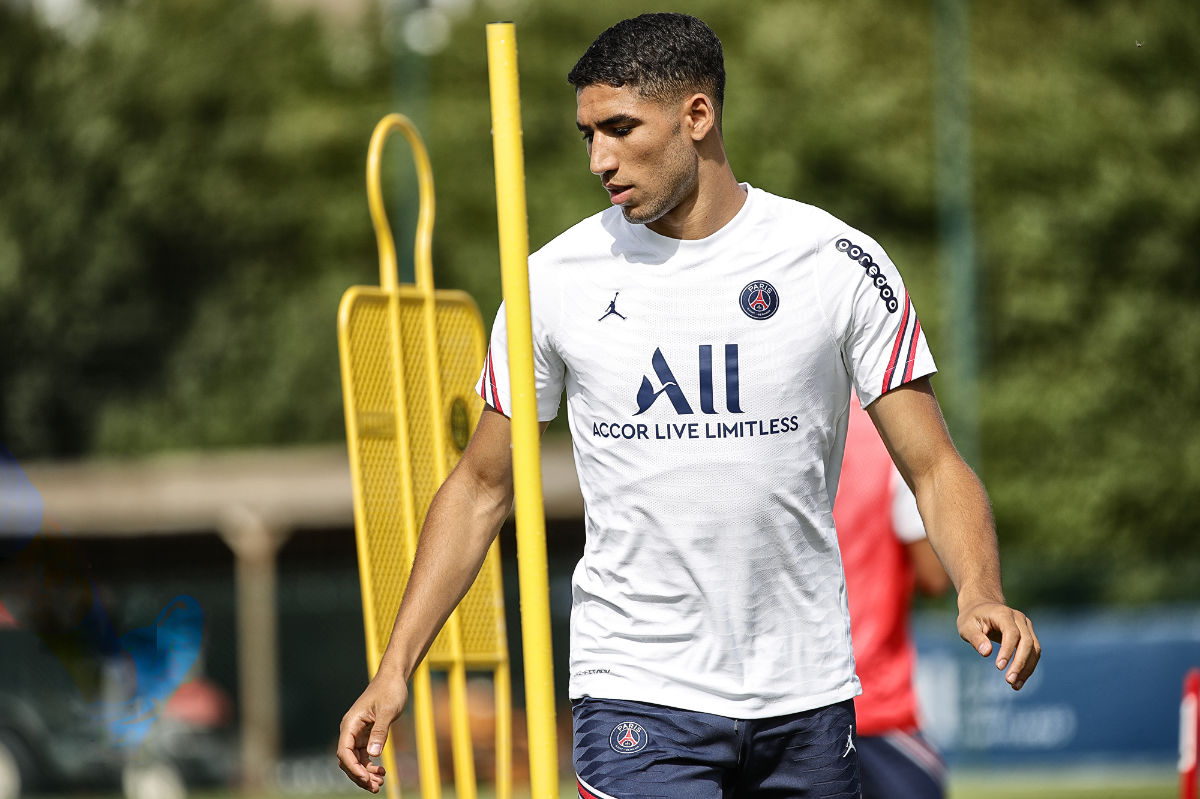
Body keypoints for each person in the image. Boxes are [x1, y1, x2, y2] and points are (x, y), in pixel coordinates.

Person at [337, 13, 1040, 797]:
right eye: (587, 135)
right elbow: (480, 487)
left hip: (808, 692)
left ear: (697, 116)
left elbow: (935, 467)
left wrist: (981, 588)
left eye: (620, 128)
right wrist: (395, 667)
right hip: (637, 690)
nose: (600, 158)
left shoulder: (836, 261)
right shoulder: (552, 280)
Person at [834, 394, 951, 799]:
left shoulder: (765, 426)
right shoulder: (891, 432)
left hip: (789, 708)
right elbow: (935, 576)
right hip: (876, 704)